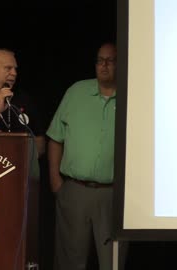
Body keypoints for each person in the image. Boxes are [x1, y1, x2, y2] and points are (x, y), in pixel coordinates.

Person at [46, 42, 119, 270]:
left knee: (112, 262)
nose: (104, 66)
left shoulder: (132, 96)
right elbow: (55, 138)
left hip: (113, 195)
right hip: (75, 191)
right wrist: (56, 181)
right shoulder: (76, 91)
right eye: (99, 60)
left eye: (110, 60)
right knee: (70, 260)